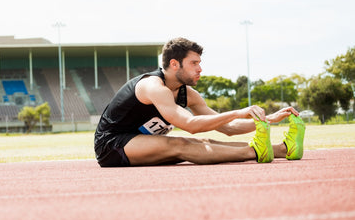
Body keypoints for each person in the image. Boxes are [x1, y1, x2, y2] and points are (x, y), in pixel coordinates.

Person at [94, 37, 305, 167]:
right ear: (174, 64)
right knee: (182, 144)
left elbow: (228, 128)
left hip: (140, 142)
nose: (200, 69)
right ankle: (255, 152)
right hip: (112, 145)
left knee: (207, 144)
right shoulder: (153, 87)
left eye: (200, 63)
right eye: (194, 63)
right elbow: (190, 126)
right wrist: (238, 111)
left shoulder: (189, 94)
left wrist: (267, 119)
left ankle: (282, 149)